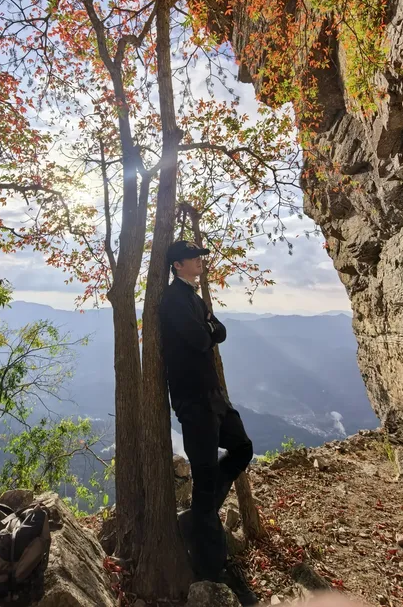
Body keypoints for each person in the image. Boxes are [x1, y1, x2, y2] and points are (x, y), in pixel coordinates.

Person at [160, 240, 258, 606]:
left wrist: (210, 329)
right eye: (194, 258)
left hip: (213, 396)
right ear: (177, 265)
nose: (201, 262)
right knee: (203, 478)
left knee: (242, 448)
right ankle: (214, 569)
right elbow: (204, 338)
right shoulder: (173, 300)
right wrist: (209, 329)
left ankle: (200, 513)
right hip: (193, 400)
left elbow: (219, 331)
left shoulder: (195, 298)